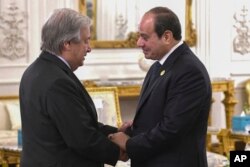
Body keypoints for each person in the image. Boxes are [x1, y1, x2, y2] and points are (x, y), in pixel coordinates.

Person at [19, 8, 128, 167]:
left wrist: (116, 133)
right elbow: (81, 138)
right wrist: (119, 152)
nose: (89, 48)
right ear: (67, 43)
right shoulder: (57, 81)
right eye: (85, 41)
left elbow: (79, 122)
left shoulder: (36, 70)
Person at [109, 6, 212, 167]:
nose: (139, 43)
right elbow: (155, 118)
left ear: (166, 37)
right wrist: (130, 131)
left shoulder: (190, 71)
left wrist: (129, 144)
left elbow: (171, 129)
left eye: (144, 37)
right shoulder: (158, 66)